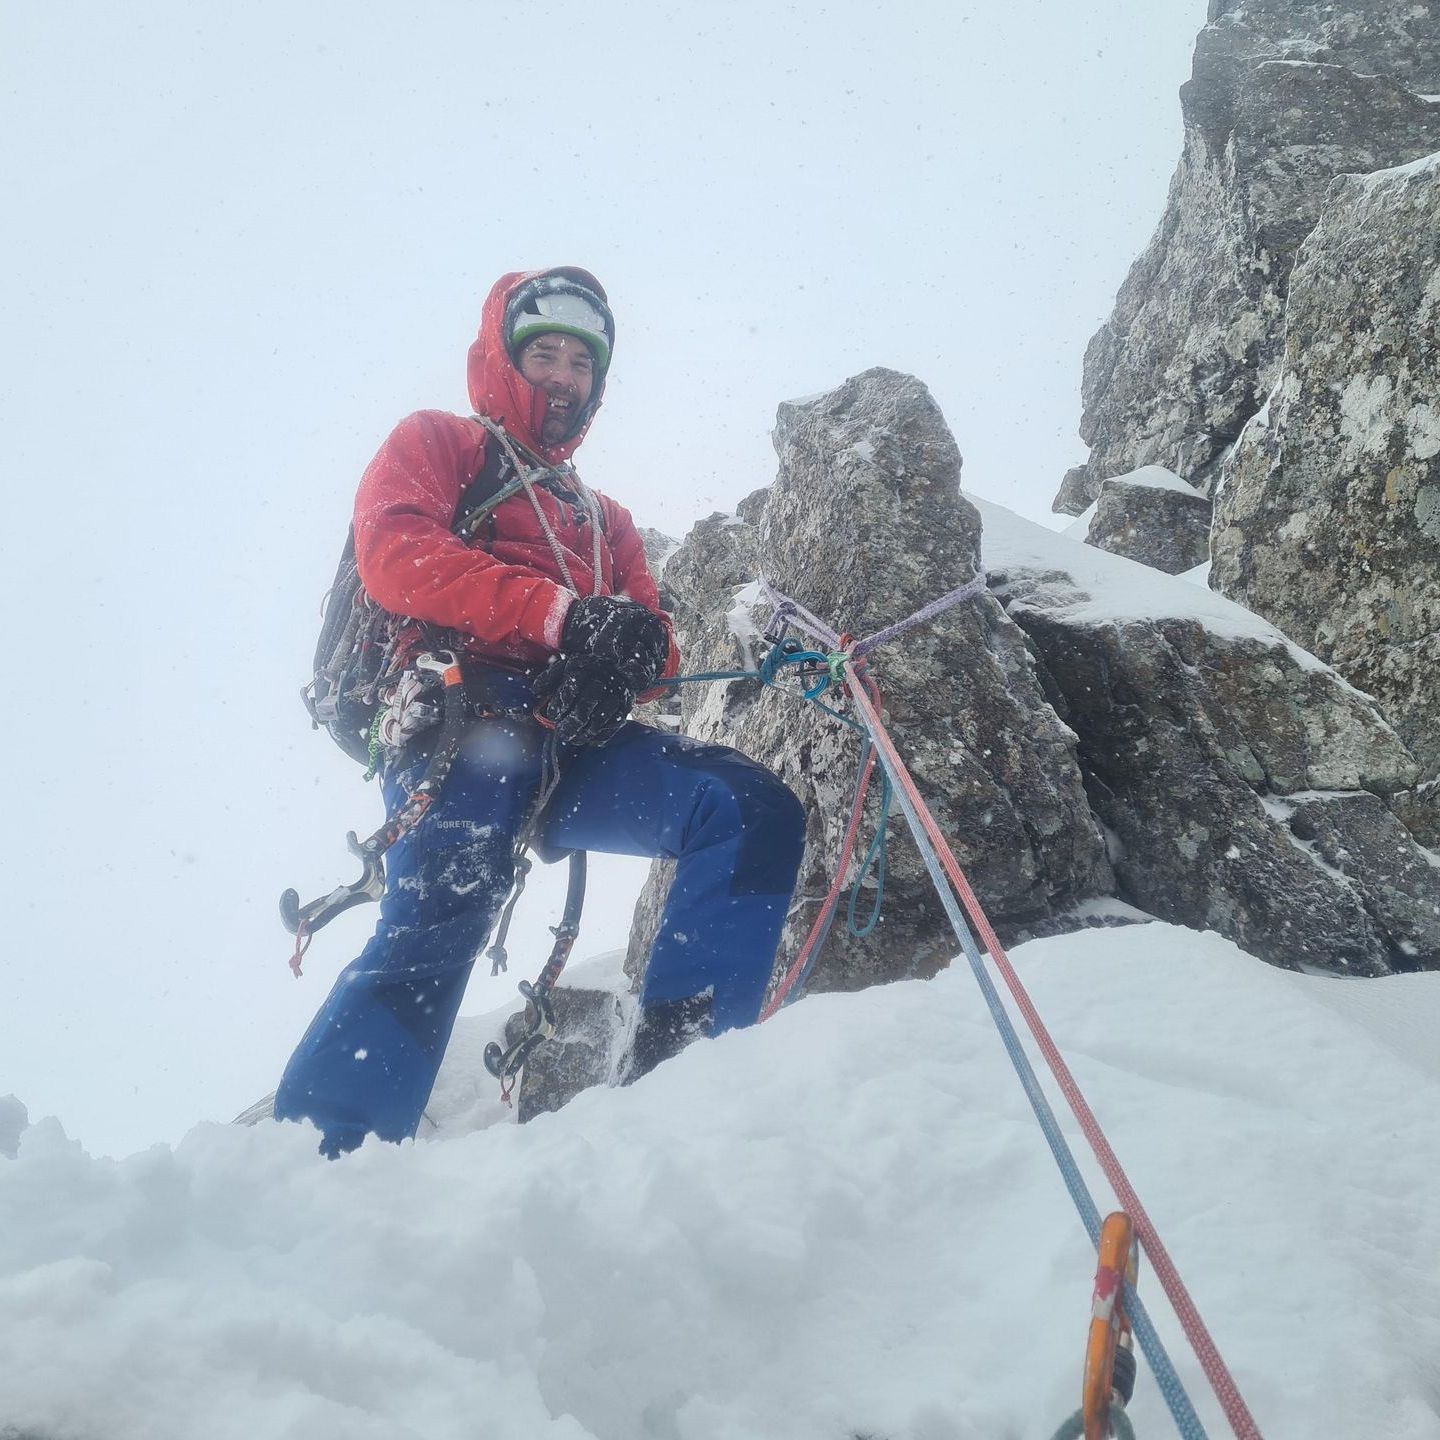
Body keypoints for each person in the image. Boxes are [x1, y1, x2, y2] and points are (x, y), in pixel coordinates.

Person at [274, 267, 807, 1156]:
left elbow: (653, 635)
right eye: (544, 354)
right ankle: (329, 1161)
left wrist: (620, 666)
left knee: (748, 810)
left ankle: (685, 1094)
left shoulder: (607, 522)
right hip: (455, 718)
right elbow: (398, 553)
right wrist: (560, 618)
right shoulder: (441, 442)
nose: (563, 376)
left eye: (582, 363)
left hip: (566, 742)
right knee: (448, 905)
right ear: (502, 359)